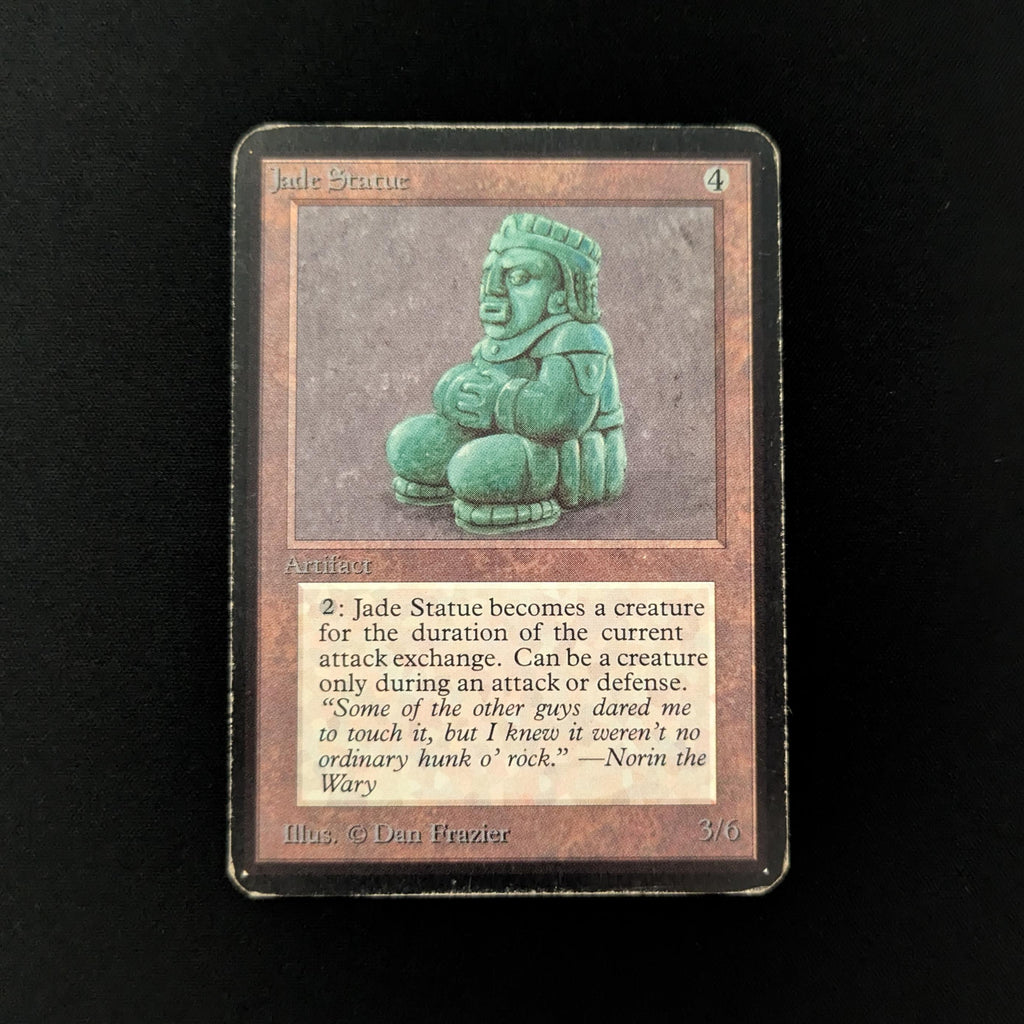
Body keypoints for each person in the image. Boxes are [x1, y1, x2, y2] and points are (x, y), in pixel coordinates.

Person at [386, 213, 625, 534]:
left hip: (554, 454)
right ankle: (461, 476)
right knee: (407, 444)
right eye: (489, 276)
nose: (493, 290)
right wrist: (454, 391)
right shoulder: (499, 340)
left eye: (519, 277)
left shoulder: (577, 337)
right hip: (497, 439)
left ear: (562, 294)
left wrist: (498, 398)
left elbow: (560, 417)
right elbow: (474, 383)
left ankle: (500, 487)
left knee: (471, 469)